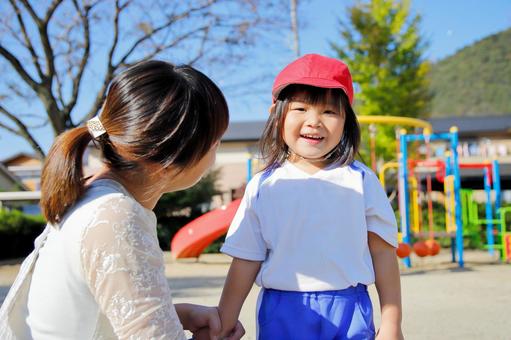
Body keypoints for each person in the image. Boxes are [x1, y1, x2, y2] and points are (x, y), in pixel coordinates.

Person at [0, 60, 244, 340]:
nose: (215, 155)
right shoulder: (117, 217)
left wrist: (176, 314)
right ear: (170, 160)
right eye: (215, 142)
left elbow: (89, 310)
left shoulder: (90, 196)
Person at [217, 54, 403, 340]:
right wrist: (223, 322)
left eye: (329, 112)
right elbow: (245, 260)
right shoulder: (263, 186)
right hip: (282, 310)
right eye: (301, 108)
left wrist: (391, 324)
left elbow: (382, 252)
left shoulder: (361, 180)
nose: (314, 121)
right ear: (276, 115)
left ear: (346, 121)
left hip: (349, 308)